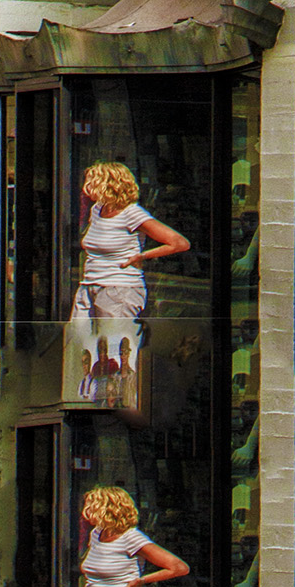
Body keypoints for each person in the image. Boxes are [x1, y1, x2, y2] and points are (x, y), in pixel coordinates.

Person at [64, 159, 185, 408]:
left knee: (117, 343)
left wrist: (142, 256)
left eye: (93, 182)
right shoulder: (97, 211)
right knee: (79, 336)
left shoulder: (133, 214)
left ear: (109, 184)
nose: (88, 187)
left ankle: (120, 400)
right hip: (90, 286)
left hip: (119, 288)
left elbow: (178, 242)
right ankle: (86, 394)